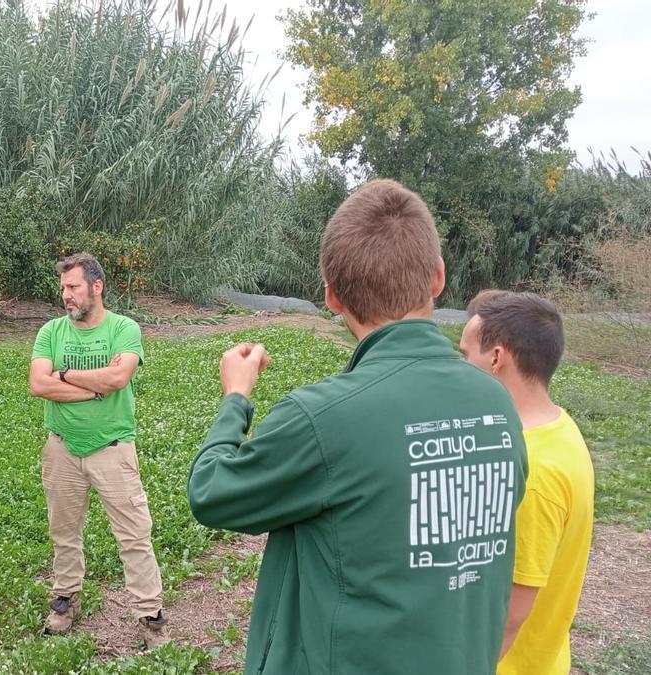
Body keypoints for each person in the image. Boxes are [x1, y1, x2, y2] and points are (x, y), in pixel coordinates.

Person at [187, 179, 528, 673]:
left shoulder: (322, 417)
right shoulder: (496, 401)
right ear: (437, 277)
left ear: (332, 297)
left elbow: (212, 492)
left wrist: (236, 398)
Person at [28, 252, 168, 648]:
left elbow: (119, 378)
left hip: (113, 449)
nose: (66, 295)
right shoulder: (51, 331)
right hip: (61, 448)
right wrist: (95, 387)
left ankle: (150, 615)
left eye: (73, 287)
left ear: (97, 286)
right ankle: (65, 598)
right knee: (64, 531)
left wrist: (65, 374)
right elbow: (38, 385)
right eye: (63, 288)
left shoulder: (124, 328)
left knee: (134, 535)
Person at [459, 290, 595, 675]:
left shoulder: (533, 471)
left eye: (465, 355)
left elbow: (510, 616)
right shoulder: (559, 428)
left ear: (496, 358)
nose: (461, 366)